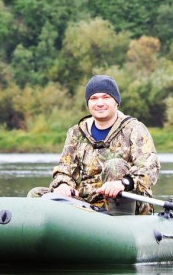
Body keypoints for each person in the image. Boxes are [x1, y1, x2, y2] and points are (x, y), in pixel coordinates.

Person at [27, 74, 160, 215]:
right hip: (88, 205)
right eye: (94, 98)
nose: (100, 103)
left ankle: (117, 225)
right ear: (88, 103)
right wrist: (63, 184)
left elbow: (149, 167)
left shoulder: (134, 129)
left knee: (115, 165)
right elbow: (64, 169)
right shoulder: (76, 132)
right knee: (36, 194)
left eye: (106, 97)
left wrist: (124, 183)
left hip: (127, 203)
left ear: (116, 102)